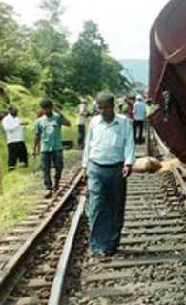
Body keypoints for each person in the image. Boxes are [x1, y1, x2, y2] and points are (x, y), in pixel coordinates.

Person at [83, 91, 135, 256]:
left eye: (105, 108)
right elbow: (88, 144)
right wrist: (85, 166)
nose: (102, 111)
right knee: (97, 206)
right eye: (100, 108)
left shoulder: (124, 122)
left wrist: (128, 162)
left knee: (115, 206)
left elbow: (129, 143)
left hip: (116, 169)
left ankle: (112, 243)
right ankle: (97, 243)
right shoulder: (94, 122)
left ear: (113, 107)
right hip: (96, 168)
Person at [33, 99, 71, 198]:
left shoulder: (57, 118)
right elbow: (37, 135)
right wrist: (34, 149)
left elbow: (68, 123)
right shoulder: (39, 121)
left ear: (51, 107)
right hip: (45, 148)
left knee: (59, 166)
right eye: (44, 109)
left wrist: (59, 112)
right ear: (42, 109)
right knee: (46, 169)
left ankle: (57, 181)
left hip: (57, 147)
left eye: (48, 108)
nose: (46, 111)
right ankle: (48, 188)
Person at [1, 105, 29, 170]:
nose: (16, 112)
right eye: (15, 111)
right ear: (10, 111)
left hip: (20, 140)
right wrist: (18, 124)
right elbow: (7, 129)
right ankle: (11, 171)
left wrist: (24, 125)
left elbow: (20, 128)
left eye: (17, 111)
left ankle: (23, 169)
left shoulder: (17, 118)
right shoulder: (6, 119)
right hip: (12, 141)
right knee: (12, 157)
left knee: (24, 156)